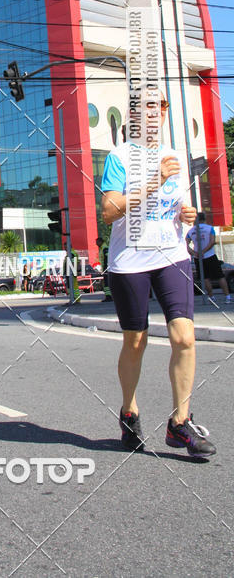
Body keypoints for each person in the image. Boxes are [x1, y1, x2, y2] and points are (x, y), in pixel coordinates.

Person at [101, 94, 217, 458]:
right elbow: (109, 211)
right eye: (149, 108)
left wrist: (188, 213)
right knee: (135, 341)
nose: (157, 114)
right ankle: (129, 411)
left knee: (184, 337)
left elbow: (175, 205)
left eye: (162, 108)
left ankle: (180, 423)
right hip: (130, 260)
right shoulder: (119, 157)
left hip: (171, 255)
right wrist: (153, 181)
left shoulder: (175, 157)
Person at [186, 213, 231, 304]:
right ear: (204, 219)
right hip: (210, 255)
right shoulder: (209, 228)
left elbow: (185, 244)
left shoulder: (191, 231)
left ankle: (211, 297)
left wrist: (194, 253)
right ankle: (227, 297)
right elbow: (212, 241)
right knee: (220, 276)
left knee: (205, 278)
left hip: (198, 257)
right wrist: (204, 251)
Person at [96, 235, 112, 302]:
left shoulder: (104, 248)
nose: (96, 244)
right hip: (105, 268)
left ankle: (109, 296)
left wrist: (105, 268)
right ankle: (108, 296)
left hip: (106, 268)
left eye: (97, 242)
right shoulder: (102, 248)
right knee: (105, 283)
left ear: (100, 242)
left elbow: (107, 258)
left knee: (107, 283)